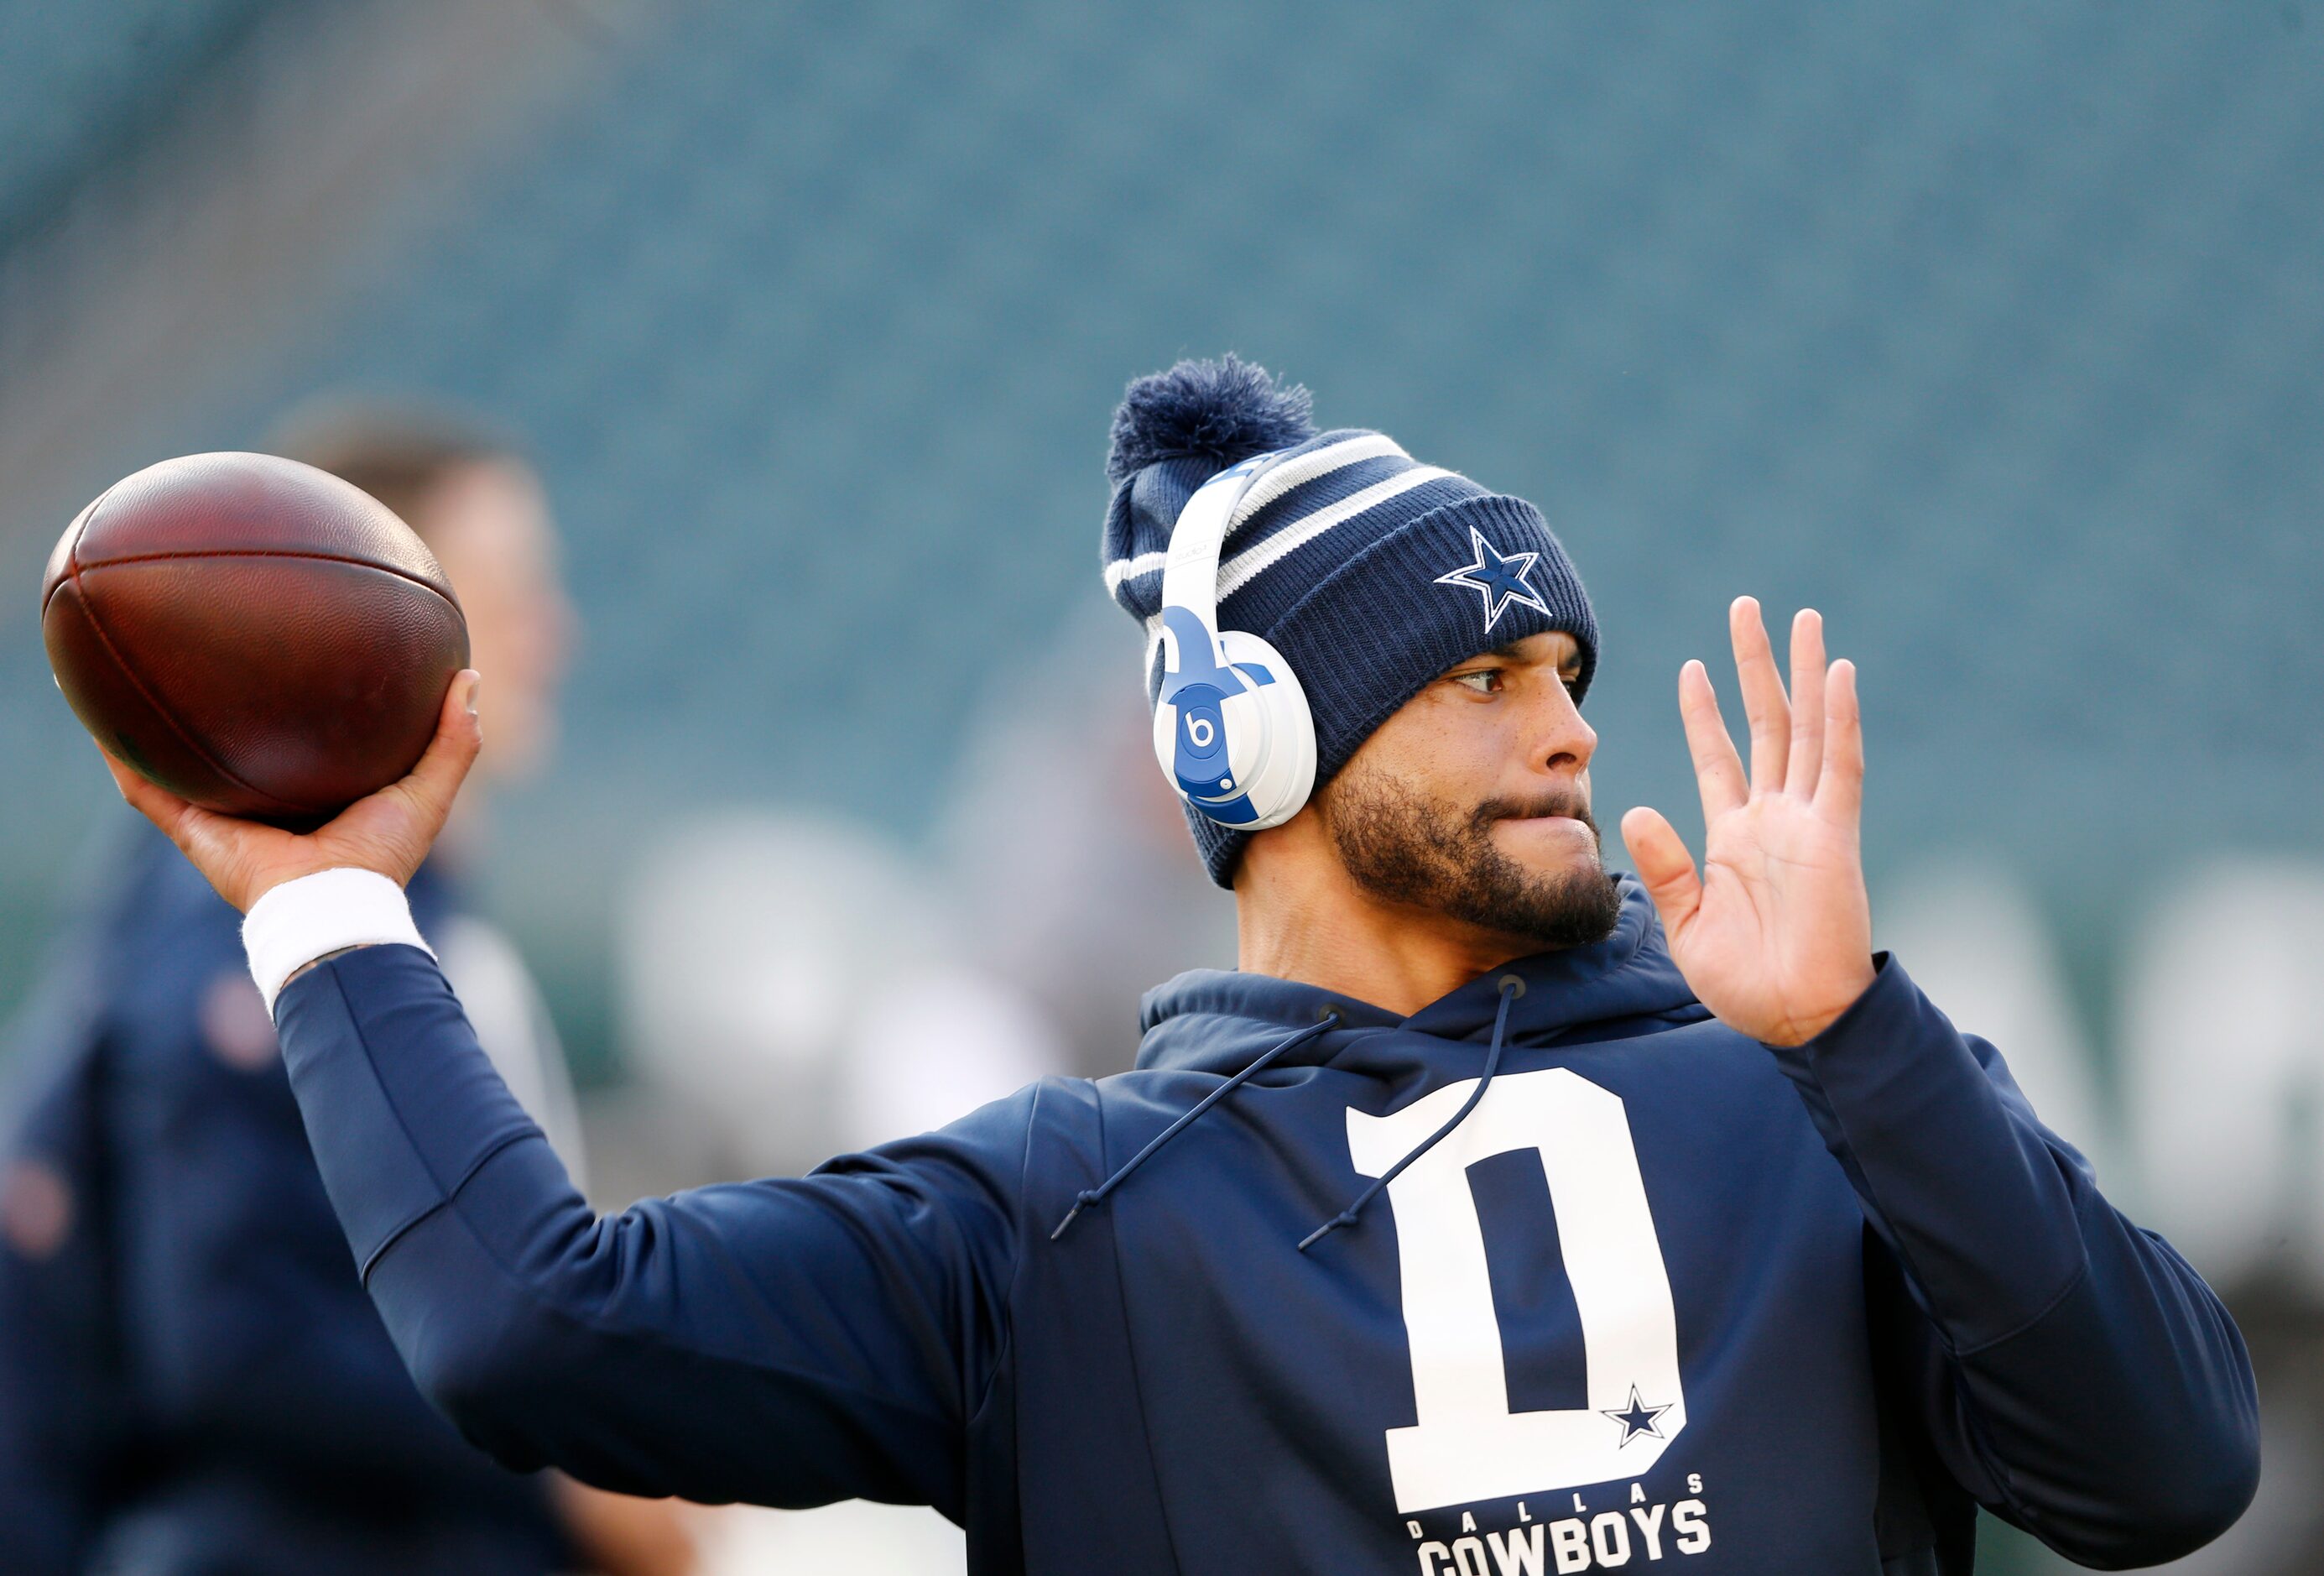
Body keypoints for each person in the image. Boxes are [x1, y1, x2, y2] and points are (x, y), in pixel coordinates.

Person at [103, 359, 2258, 1574]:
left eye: (1566, 670)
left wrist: (1871, 1037)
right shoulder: (1054, 1214)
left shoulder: (1820, 1085)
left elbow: (2166, 1476)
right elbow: (531, 1332)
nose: (1566, 726)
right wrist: (323, 905)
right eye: (1480, 676)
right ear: (1253, 736)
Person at [0, 411, 694, 1576]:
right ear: (358, 622)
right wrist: (561, 1464)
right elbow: (238, 1344)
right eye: (505, 594)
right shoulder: (244, 931)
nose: (552, 633)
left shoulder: (408, 915)